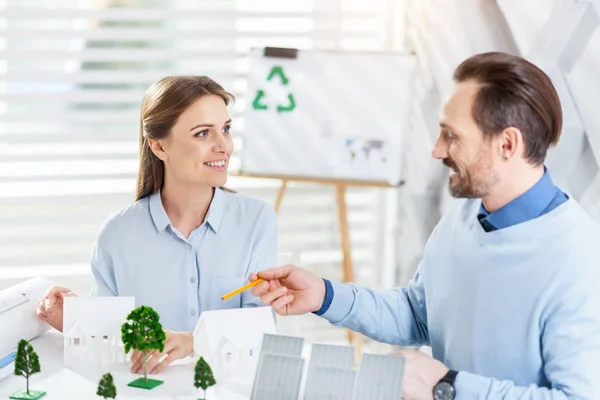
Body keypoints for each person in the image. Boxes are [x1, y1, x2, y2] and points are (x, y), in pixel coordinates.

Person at [251, 52, 600, 399]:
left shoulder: (579, 260)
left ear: (507, 144)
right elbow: (418, 315)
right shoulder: (461, 220)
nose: (436, 150)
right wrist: (325, 296)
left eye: (452, 136)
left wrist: (448, 386)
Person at [36, 76, 277, 375]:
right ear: (159, 147)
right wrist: (71, 321)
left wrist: (193, 342)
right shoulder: (118, 235)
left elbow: (262, 327)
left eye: (225, 129)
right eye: (203, 134)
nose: (223, 146)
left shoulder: (256, 220)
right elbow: (110, 339)